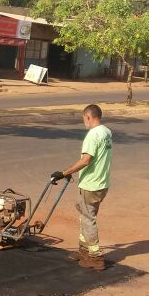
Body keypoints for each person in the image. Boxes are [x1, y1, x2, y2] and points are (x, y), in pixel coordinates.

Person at [53, 104, 112, 271]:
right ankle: (83, 250)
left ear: (88, 117)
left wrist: (64, 173)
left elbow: (86, 160)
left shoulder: (93, 135)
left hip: (91, 184)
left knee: (88, 219)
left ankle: (96, 257)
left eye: (84, 119)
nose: (84, 122)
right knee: (85, 215)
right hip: (102, 183)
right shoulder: (106, 132)